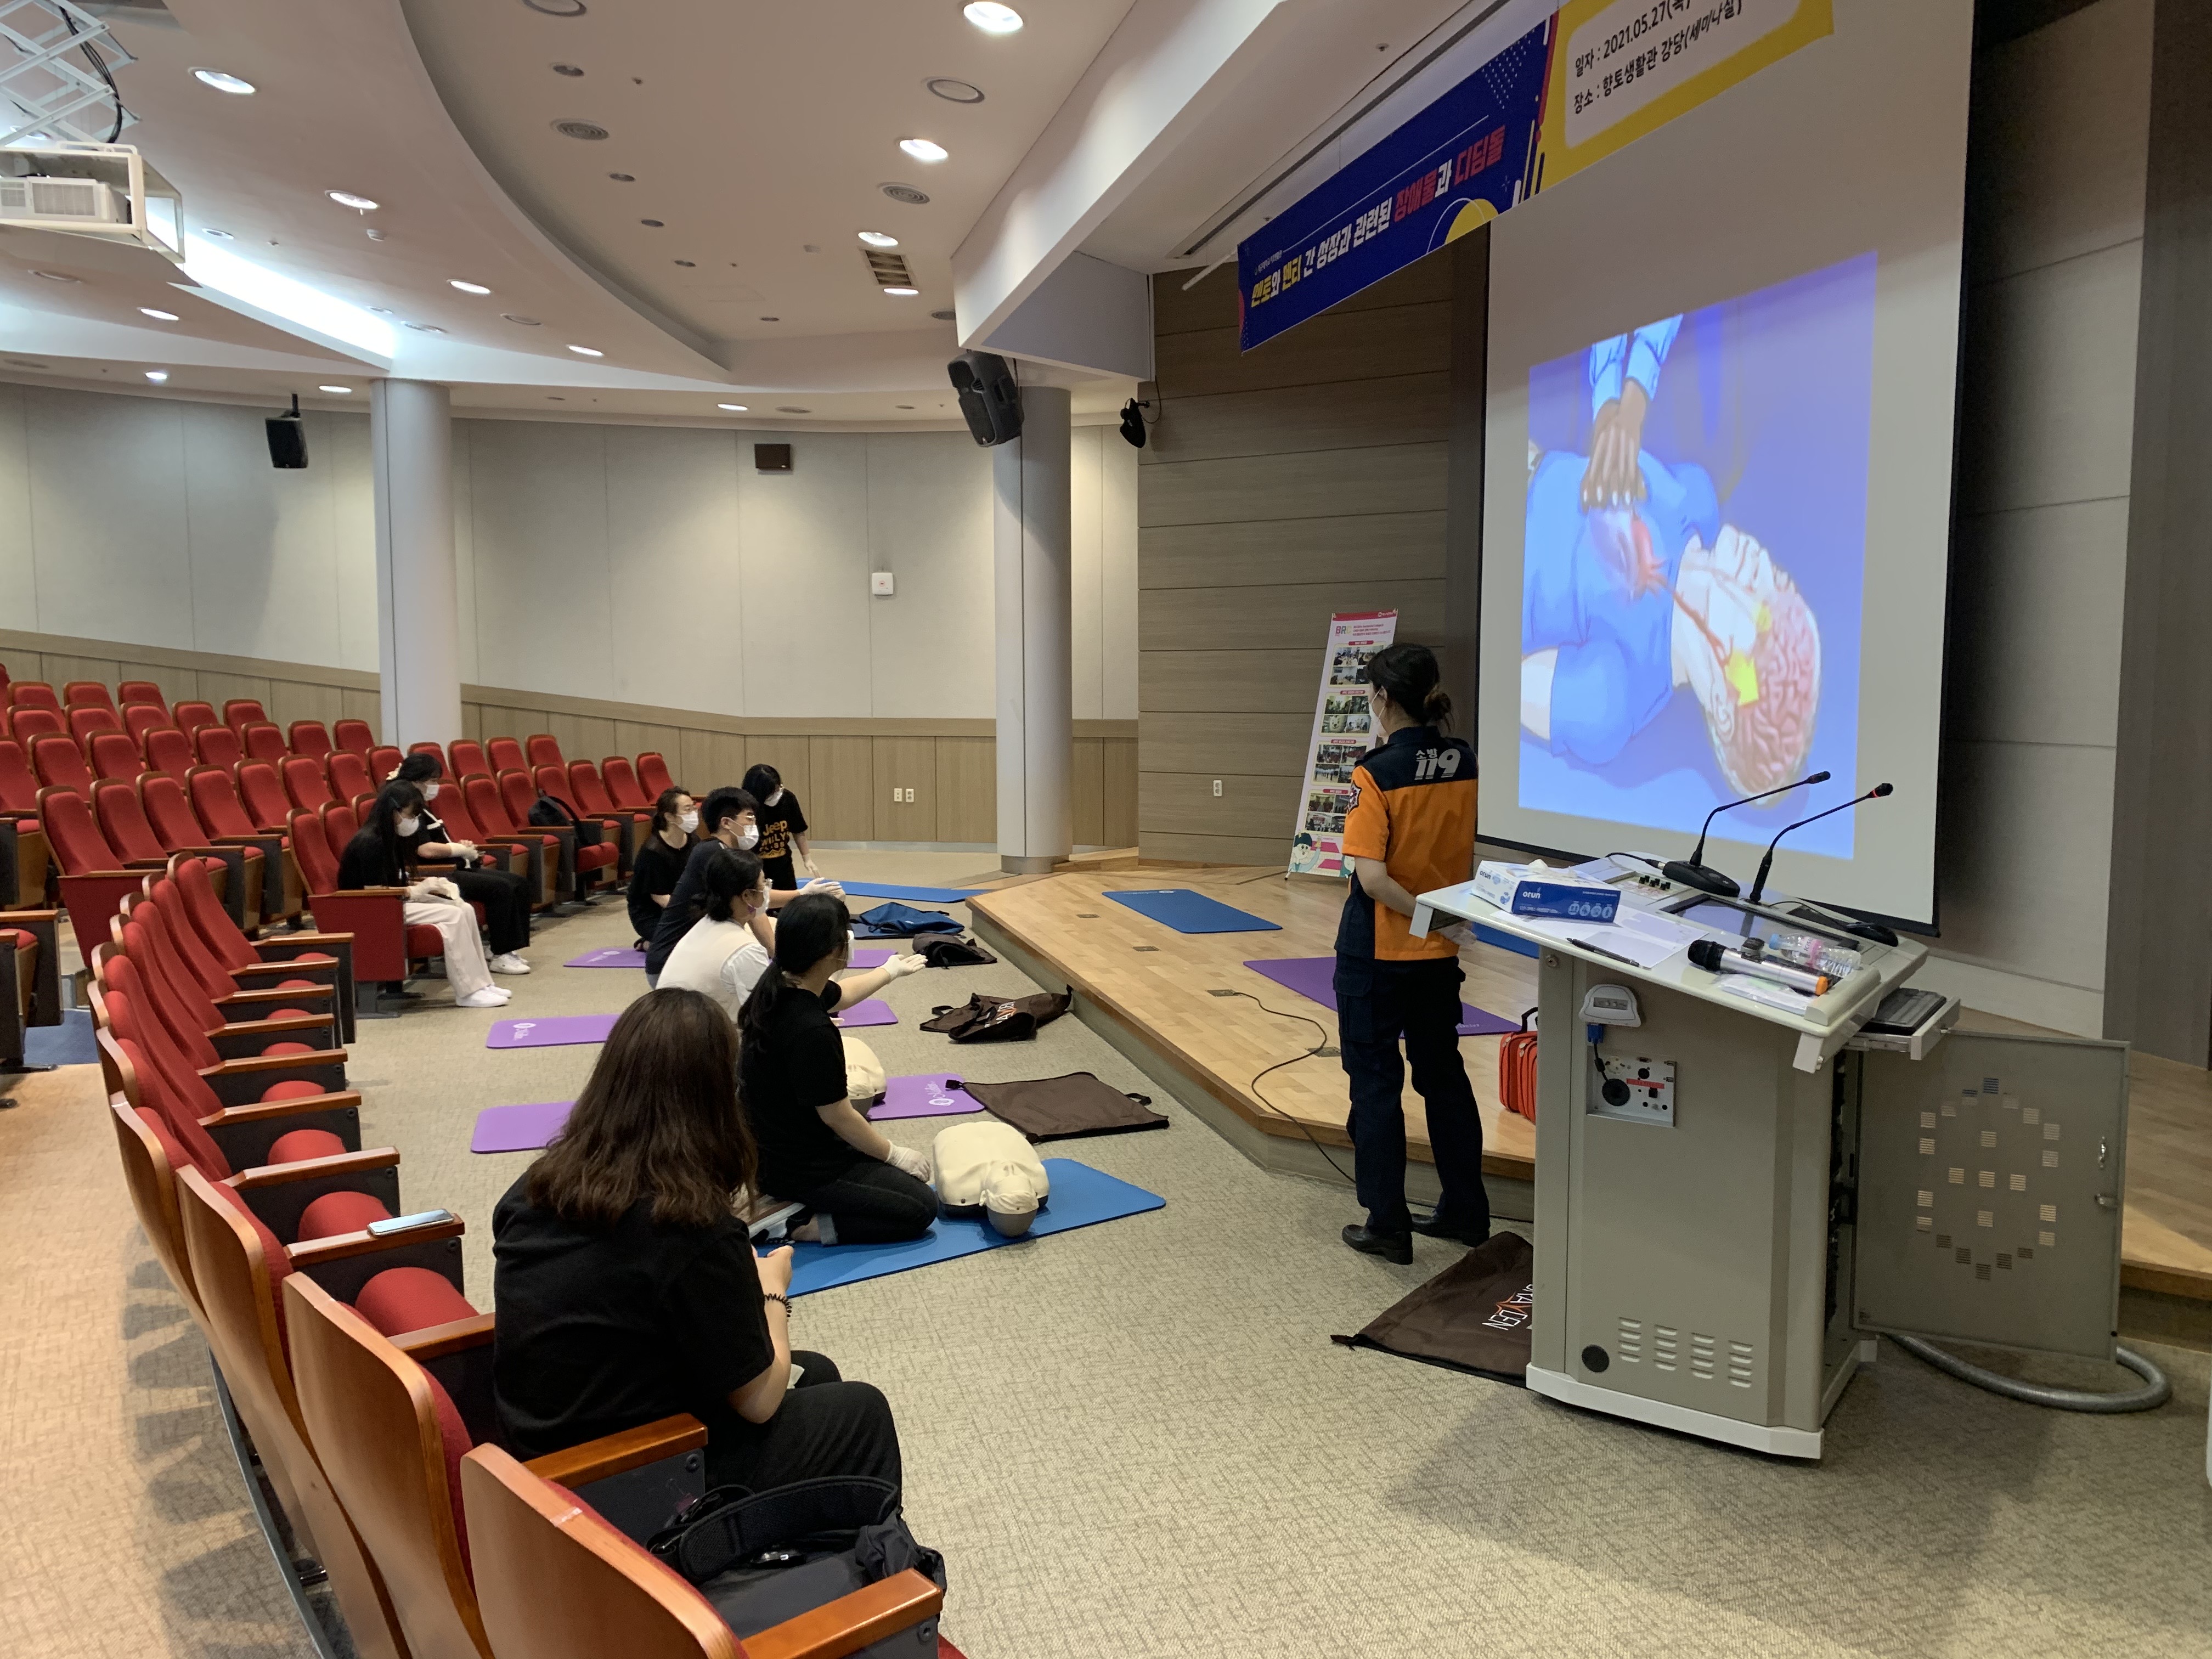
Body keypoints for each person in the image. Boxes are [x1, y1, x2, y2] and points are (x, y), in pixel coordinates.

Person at [491, 989, 902, 1493]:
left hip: (534, 1454)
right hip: (624, 1476)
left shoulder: (535, 1186)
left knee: (814, 1373)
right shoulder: (690, 1226)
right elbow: (759, 1401)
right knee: (859, 1411)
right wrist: (772, 1292)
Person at [1333, 643, 1489, 1264]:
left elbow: (1372, 879)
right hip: (1439, 952)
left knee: (1375, 1084)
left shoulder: (1375, 772)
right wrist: (1442, 920)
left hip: (1379, 952)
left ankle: (1388, 1225)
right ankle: (1466, 1211)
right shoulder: (1465, 760)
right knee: (1444, 1076)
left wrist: (1421, 915)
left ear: (1382, 699)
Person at [738, 893, 935, 1243]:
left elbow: (841, 994)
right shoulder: (810, 1029)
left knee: (886, 1174)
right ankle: (798, 1224)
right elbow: (838, 1116)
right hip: (802, 1168)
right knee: (919, 1207)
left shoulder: (781, 983)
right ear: (832, 951)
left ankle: (787, 1200)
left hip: (773, 1151)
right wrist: (894, 1154)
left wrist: (889, 972)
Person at [337, 781, 511, 1009]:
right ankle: (468, 992)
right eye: (411, 815)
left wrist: (428, 885)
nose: (414, 822)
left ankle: (482, 984)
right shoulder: (371, 842)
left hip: (392, 901)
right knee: (453, 916)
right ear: (394, 811)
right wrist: (416, 890)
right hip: (368, 909)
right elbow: (375, 894)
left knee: (465, 908)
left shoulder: (391, 837)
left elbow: (393, 881)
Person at [645, 786, 841, 982]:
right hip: (669, 965)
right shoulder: (716, 855)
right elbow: (755, 903)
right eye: (749, 818)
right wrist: (802, 895)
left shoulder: (723, 851)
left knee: (781, 931)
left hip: (688, 954)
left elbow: (756, 905)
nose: (754, 824)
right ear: (726, 823)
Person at [388, 752, 534, 974]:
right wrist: (459, 850)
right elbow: (424, 850)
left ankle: (507, 948)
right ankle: (500, 954)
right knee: (500, 888)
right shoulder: (406, 808)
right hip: (436, 872)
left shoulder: (422, 805)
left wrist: (461, 848)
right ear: (416, 781)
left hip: (452, 866)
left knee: (519, 883)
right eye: (433, 781)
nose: (436, 786)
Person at [658, 845, 775, 1019]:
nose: (767, 890)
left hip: (666, 1023)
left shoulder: (705, 924)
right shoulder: (746, 951)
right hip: (694, 1033)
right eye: (764, 884)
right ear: (747, 896)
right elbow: (766, 1018)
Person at [627, 787, 696, 947]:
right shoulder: (653, 851)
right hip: (653, 913)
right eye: (688, 810)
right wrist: (692, 914)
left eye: (694, 808)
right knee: (685, 944)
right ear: (670, 817)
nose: (693, 813)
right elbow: (660, 897)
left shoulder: (694, 841)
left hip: (682, 906)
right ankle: (647, 944)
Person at [743, 763, 814, 890]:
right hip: (755, 866)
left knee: (789, 898)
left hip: (783, 863)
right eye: (772, 792)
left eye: (779, 788)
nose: (778, 793)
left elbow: (798, 830)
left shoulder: (787, 798)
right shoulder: (745, 806)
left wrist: (807, 858)